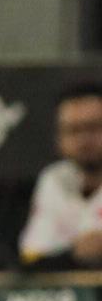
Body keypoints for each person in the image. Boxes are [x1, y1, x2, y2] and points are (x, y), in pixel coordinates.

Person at [19, 83, 102, 270]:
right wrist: (76, 253)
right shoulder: (54, 179)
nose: (84, 140)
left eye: (94, 128)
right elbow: (31, 259)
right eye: (73, 130)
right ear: (59, 139)